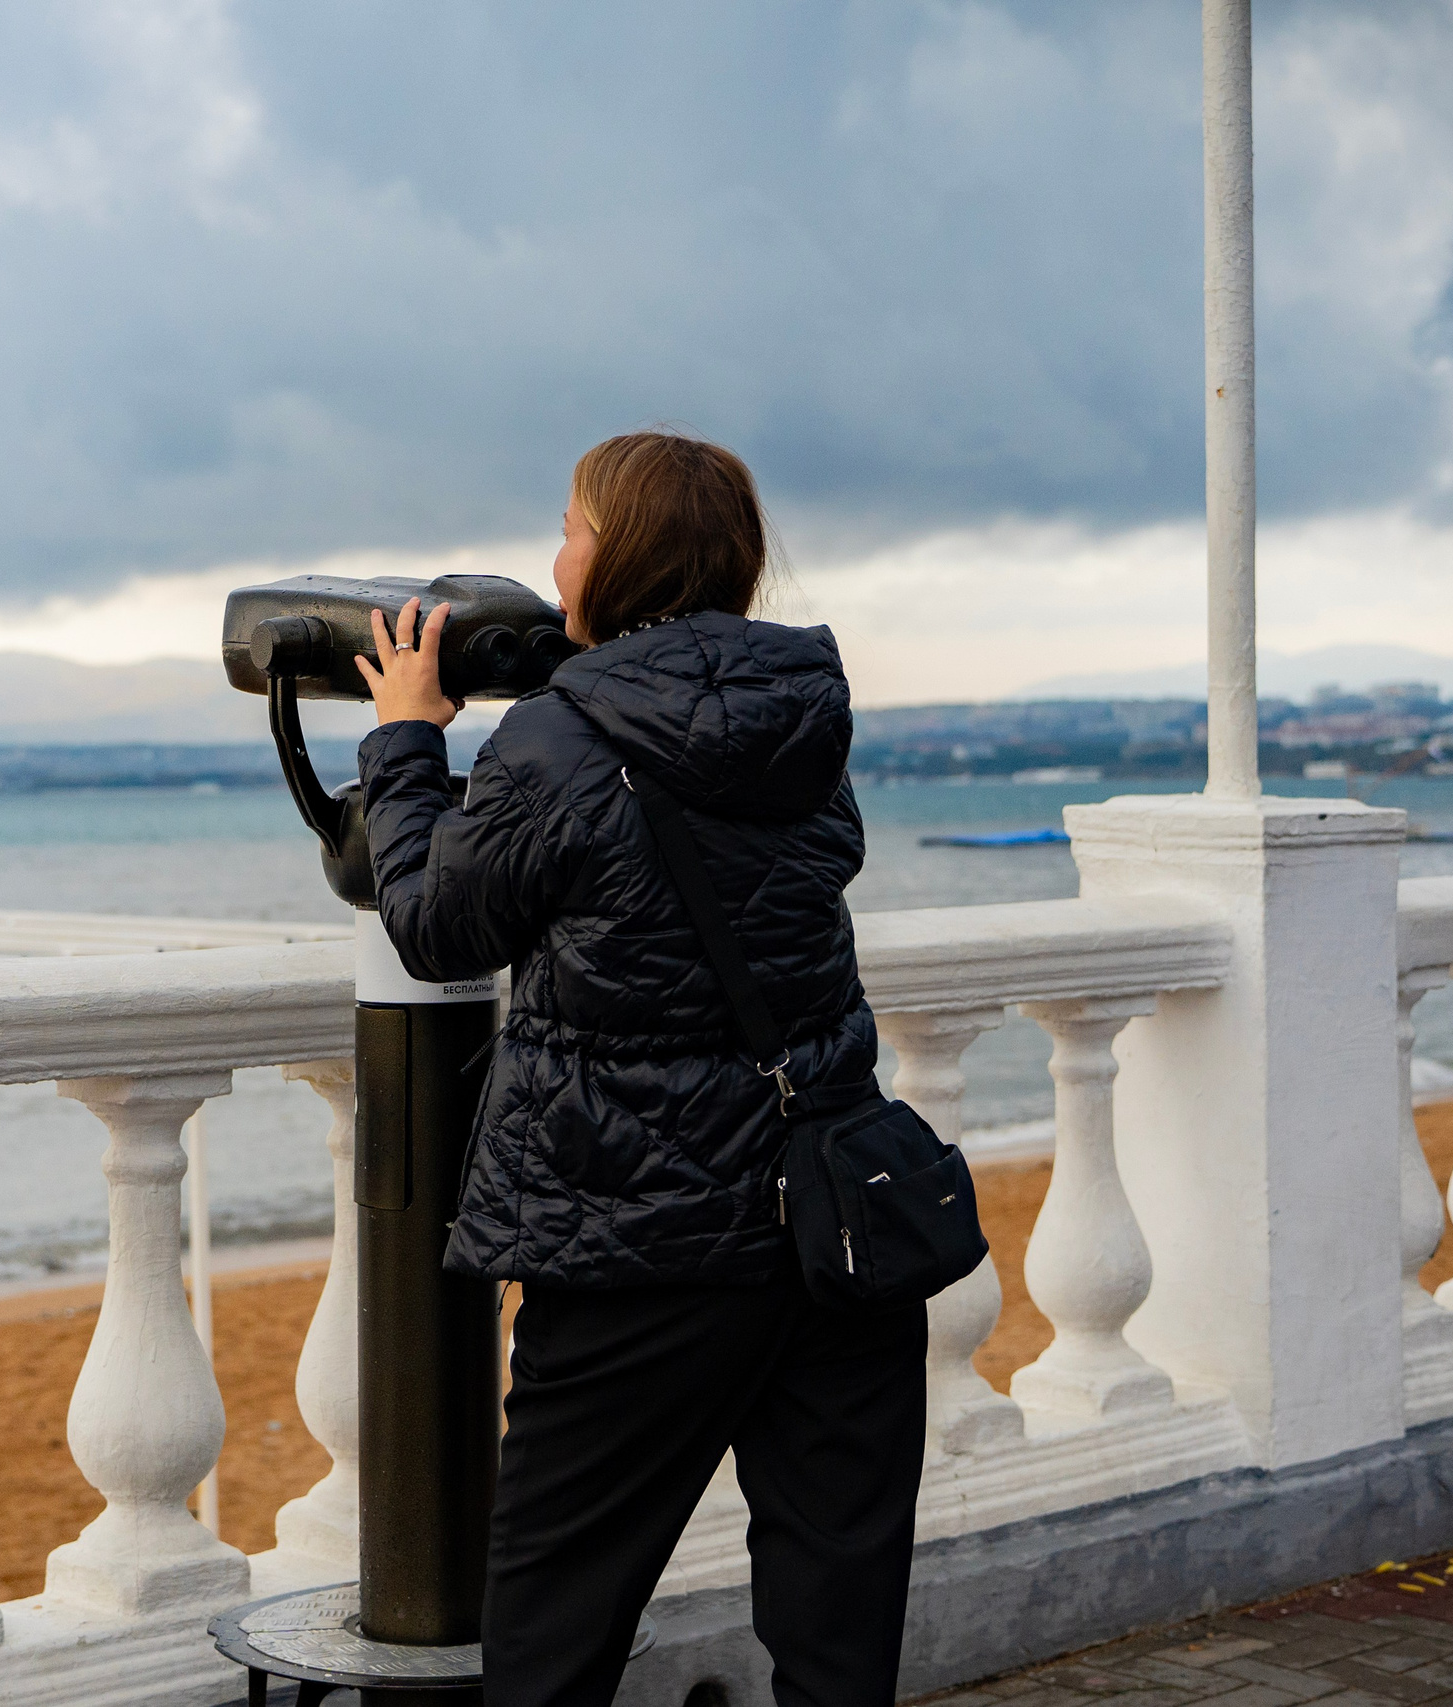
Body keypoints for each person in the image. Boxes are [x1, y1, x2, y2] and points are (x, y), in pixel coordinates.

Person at [350, 431, 924, 1707]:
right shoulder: (802, 716)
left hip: (639, 1241)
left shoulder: (553, 744)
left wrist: (403, 744)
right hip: (832, 1217)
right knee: (836, 1628)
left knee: (555, 1627)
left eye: (568, 527)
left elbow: (440, 925)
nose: (552, 560)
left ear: (615, 554)